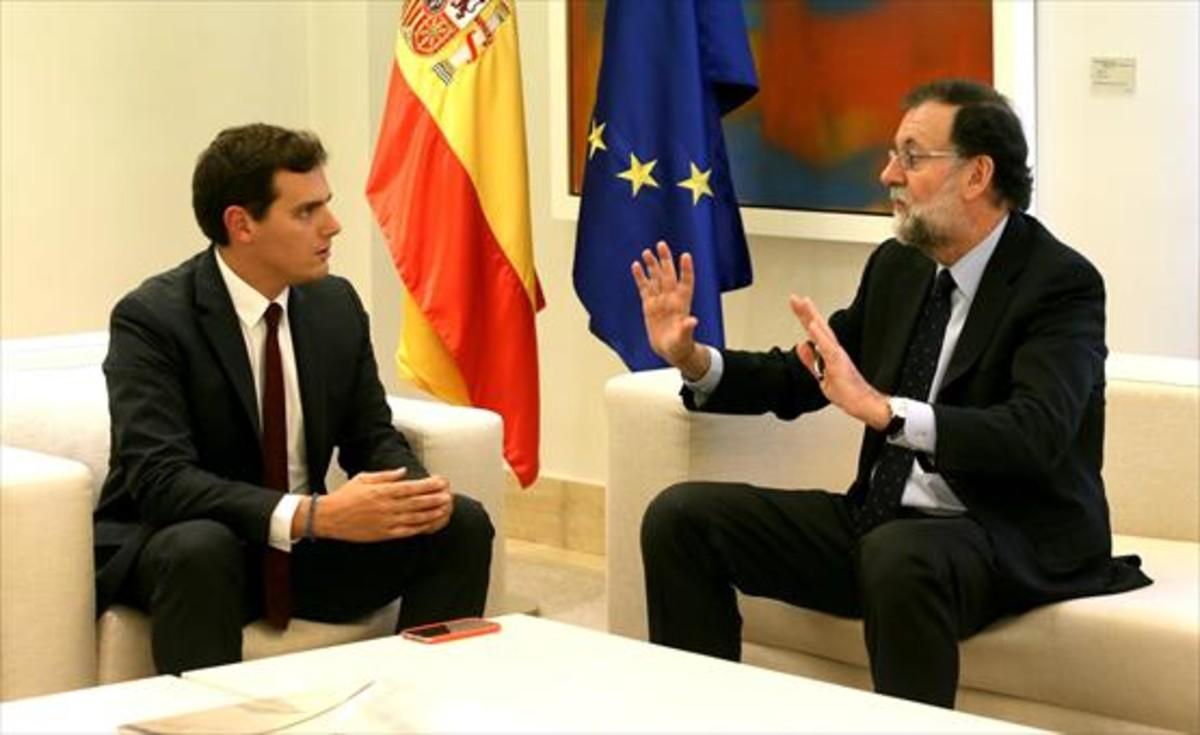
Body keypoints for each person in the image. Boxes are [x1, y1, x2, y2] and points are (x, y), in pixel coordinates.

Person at [632, 79, 1150, 708]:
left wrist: (889, 414)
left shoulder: (1059, 284)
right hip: (880, 521)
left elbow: (1035, 433)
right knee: (681, 518)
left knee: (897, 555)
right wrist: (691, 359)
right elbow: (805, 376)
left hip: (1003, 534)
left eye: (910, 157)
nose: (887, 174)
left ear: (976, 174)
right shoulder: (899, 267)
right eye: (891, 155)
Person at [93, 123, 494, 675]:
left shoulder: (334, 305)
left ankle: (421, 701)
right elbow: (163, 482)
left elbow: (369, 435)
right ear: (241, 224)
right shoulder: (153, 318)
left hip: (305, 552)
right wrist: (312, 515)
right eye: (306, 212)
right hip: (198, 546)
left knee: (459, 525)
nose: (332, 226)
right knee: (198, 548)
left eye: (325, 206)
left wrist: (410, 496)